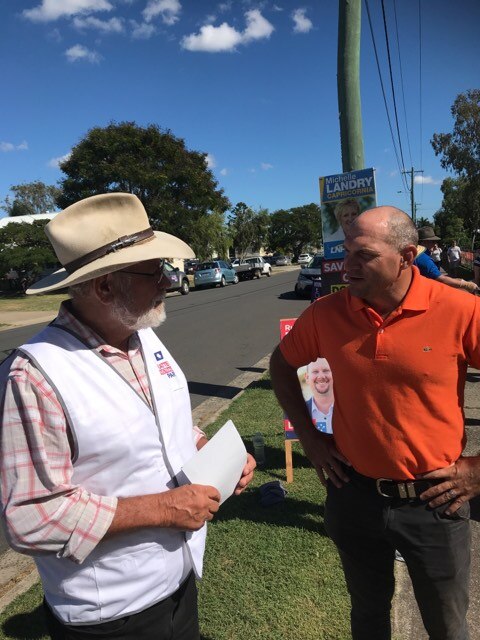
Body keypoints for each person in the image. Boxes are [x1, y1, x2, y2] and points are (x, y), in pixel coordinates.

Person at [0, 193, 255, 640]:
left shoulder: (140, 331)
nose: (170, 281)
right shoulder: (34, 375)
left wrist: (211, 451)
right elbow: (30, 516)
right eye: (154, 270)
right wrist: (164, 508)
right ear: (103, 288)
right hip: (110, 614)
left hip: (177, 582)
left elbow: (159, 422)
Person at [270, 206, 480, 640]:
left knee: (446, 626)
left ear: (406, 256)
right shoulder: (327, 314)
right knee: (367, 617)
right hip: (355, 496)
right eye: (346, 252)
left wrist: (478, 469)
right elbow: (281, 363)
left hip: (435, 502)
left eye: (362, 255)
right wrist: (310, 438)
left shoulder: (460, 310)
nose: (347, 266)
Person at [415, 226, 478, 294]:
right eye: (432, 241)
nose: (435, 244)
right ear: (423, 243)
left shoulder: (416, 254)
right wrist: (466, 285)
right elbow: (441, 279)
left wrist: (459, 281)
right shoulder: (424, 259)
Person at [304, 357, 334, 434]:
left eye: (326, 371)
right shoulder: (299, 411)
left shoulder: (349, 409)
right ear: (307, 377)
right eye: (315, 372)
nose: (321, 376)